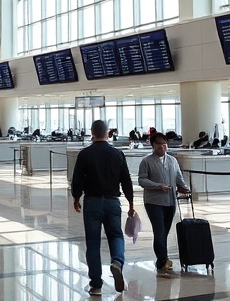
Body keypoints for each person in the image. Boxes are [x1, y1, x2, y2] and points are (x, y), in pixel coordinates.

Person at [71, 120, 135, 296]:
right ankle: (117, 262)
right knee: (116, 235)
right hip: (113, 201)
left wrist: (76, 197)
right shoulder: (117, 154)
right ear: (108, 133)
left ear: (92, 133)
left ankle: (96, 284)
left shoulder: (84, 154)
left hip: (91, 202)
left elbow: (77, 180)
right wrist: (130, 202)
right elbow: (126, 180)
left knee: (92, 243)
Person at [138, 132, 191, 273]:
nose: (162, 146)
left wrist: (184, 188)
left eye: (164, 143)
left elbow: (179, 177)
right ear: (153, 145)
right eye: (159, 144)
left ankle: (162, 259)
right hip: (153, 202)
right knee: (159, 230)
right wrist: (158, 185)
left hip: (170, 201)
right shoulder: (146, 161)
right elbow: (142, 180)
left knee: (164, 232)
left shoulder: (172, 161)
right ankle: (163, 260)